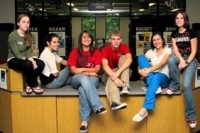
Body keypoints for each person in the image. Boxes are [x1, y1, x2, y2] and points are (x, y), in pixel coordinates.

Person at [67, 30, 107, 133]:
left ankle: (84, 122)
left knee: (82, 89)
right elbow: (73, 70)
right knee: (83, 79)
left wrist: (81, 70)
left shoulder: (96, 52)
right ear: (80, 40)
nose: (86, 39)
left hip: (92, 79)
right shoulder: (75, 52)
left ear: (91, 40)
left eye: (88, 37)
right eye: (84, 37)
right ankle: (97, 106)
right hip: (77, 79)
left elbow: (97, 69)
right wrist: (88, 73)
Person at [166, 11, 198, 128]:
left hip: (191, 60)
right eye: (177, 18)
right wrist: (181, 61)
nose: (179, 20)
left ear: (185, 20)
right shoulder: (174, 34)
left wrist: (186, 62)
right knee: (170, 60)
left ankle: (191, 116)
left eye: (181, 18)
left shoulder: (191, 32)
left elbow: (194, 51)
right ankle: (174, 85)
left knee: (186, 85)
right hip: (180, 58)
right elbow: (175, 50)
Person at [132, 32, 172, 122]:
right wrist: (140, 71)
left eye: (158, 39)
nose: (156, 42)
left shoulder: (167, 50)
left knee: (156, 77)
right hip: (150, 76)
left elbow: (162, 64)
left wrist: (148, 70)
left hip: (163, 77)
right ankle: (154, 85)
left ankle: (144, 109)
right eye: (154, 40)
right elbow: (140, 63)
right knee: (141, 57)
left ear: (162, 40)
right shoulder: (151, 52)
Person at [7, 14, 44, 94]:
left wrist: (33, 60)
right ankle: (34, 85)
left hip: (25, 60)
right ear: (18, 23)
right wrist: (30, 61)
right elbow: (17, 54)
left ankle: (28, 83)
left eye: (28, 22)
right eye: (23, 22)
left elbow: (28, 52)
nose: (26, 24)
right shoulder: (12, 35)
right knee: (28, 64)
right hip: (13, 59)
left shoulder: (29, 35)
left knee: (40, 63)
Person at [101, 29, 132, 111]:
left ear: (121, 40)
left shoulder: (124, 47)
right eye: (113, 39)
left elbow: (129, 59)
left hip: (121, 73)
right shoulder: (105, 49)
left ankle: (124, 85)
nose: (116, 41)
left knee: (125, 57)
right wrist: (114, 77)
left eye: (118, 39)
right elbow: (104, 65)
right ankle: (115, 101)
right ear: (110, 40)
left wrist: (117, 73)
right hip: (108, 74)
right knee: (111, 78)